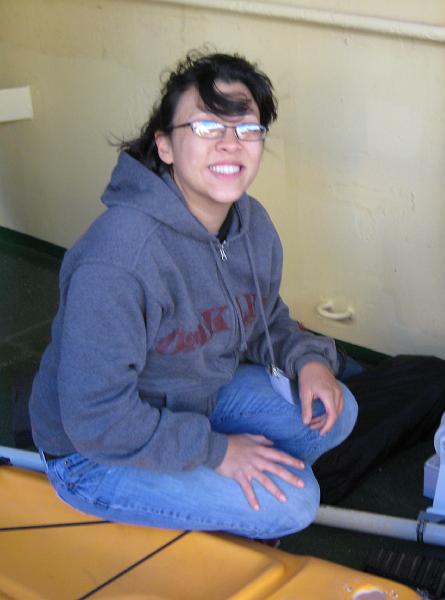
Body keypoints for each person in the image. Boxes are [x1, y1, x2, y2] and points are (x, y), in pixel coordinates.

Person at [29, 50, 357, 539]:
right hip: (91, 454)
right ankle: (215, 493)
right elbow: (95, 420)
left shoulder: (252, 224)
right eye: (206, 128)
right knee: (295, 503)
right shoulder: (119, 259)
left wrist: (308, 360)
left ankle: (217, 493)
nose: (230, 144)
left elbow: (265, 316)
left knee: (335, 412)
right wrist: (219, 453)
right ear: (164, 146)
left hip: (191, 401)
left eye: (247, 129)